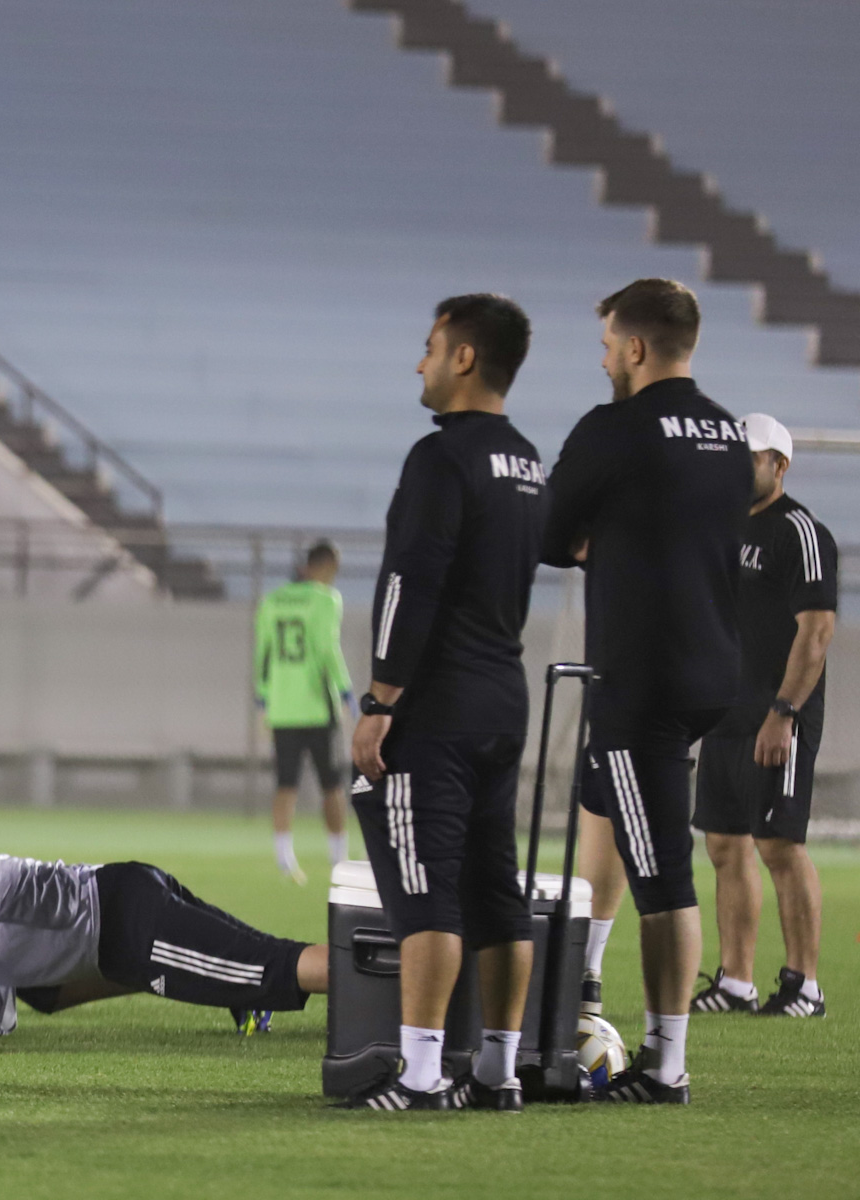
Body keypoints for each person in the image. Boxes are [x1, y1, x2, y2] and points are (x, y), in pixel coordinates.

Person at [542, 278, 752, 1104]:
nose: (603, 360)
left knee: (664, 873)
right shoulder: (727, 434)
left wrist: (595, 540)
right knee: (605, 795)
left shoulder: (616, 428)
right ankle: (584, 975)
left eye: (605, 347)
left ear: (634, 348)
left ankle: (665, 1066)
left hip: (643, 676)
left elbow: (550, 533)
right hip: (711, 666)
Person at [347, 294, 546, 1112]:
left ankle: (423, 1076)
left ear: (464, 358)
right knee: (498, 890)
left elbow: (407, 583)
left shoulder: (440, 460)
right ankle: (497, 1070)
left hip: (439, 704)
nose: (419, 362)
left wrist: (380, 698)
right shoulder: (529, 461)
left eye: (429, 347)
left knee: (425, 885)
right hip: (505, 695)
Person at [689, 415, 835, 1018]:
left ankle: (804, 985)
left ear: (780, 464)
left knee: (778, 844)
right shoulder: (718, 529)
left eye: (750, 457)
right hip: (724, 713)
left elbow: (818, 629)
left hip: (777, 718)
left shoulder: (800, 531)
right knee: (725, 844)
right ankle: (737, 983)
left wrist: (784, 711)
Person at [0, 817, 327, 1037]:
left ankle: (377, 978)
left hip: (127, 920)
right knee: (40, 990)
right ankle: (230, 985)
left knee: (283, 964)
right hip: (123, 896)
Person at [255, 539, 354, 883]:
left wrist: (262, 700)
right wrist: (345, 691)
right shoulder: (326, 599)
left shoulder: (272, 600)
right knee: (332, 785)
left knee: (286, 784)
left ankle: (285, 859)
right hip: (315, 706)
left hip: (282, 707)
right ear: (325, 567)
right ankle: (338, 858)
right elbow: (328, 649)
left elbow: (263, 653)